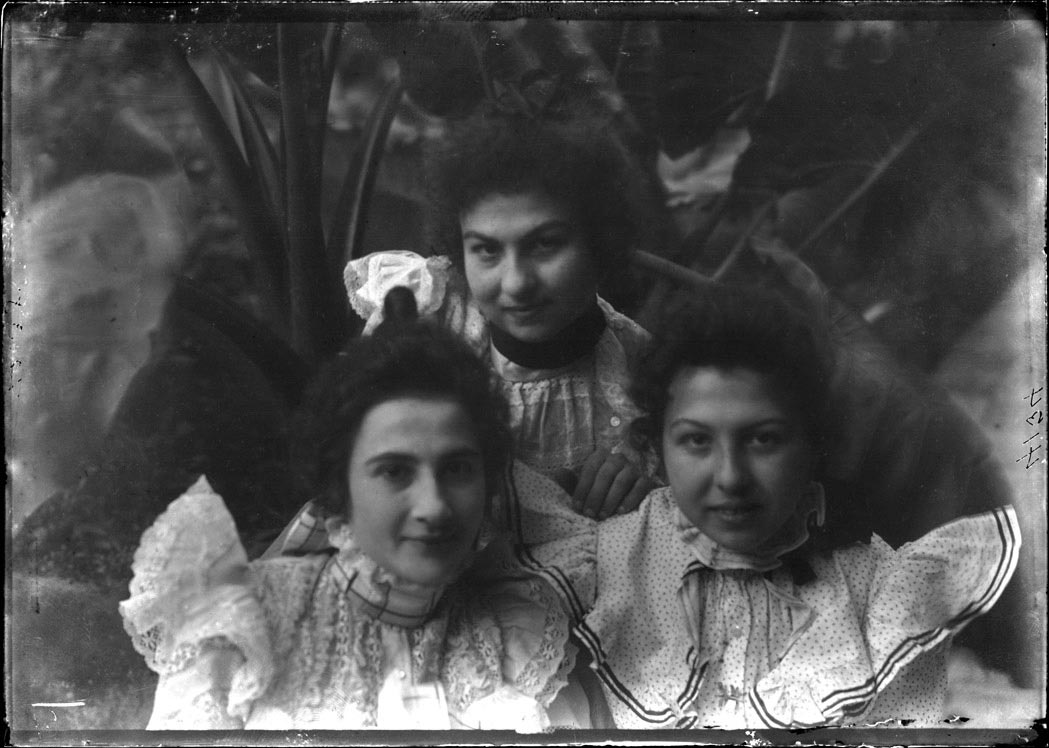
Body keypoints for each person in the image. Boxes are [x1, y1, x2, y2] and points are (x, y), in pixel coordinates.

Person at [513, 283, 1020, 729]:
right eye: (696, 441)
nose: (731, 477)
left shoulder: (875, 596)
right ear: (656, 447)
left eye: (763, 440)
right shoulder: (608, 566)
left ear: (813, 444)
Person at [118, 292, 572, 729]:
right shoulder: (246, 623)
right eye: (395, 471)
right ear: (340, 489)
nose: (434, 506)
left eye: (457, 469)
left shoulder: (507, 642)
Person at [345, 104, 661, 520]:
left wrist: (642, 482)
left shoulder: (639, 368)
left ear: (599, 242)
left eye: (545, 244)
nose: (516, 283)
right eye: (487, 250)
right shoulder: (428, 322)